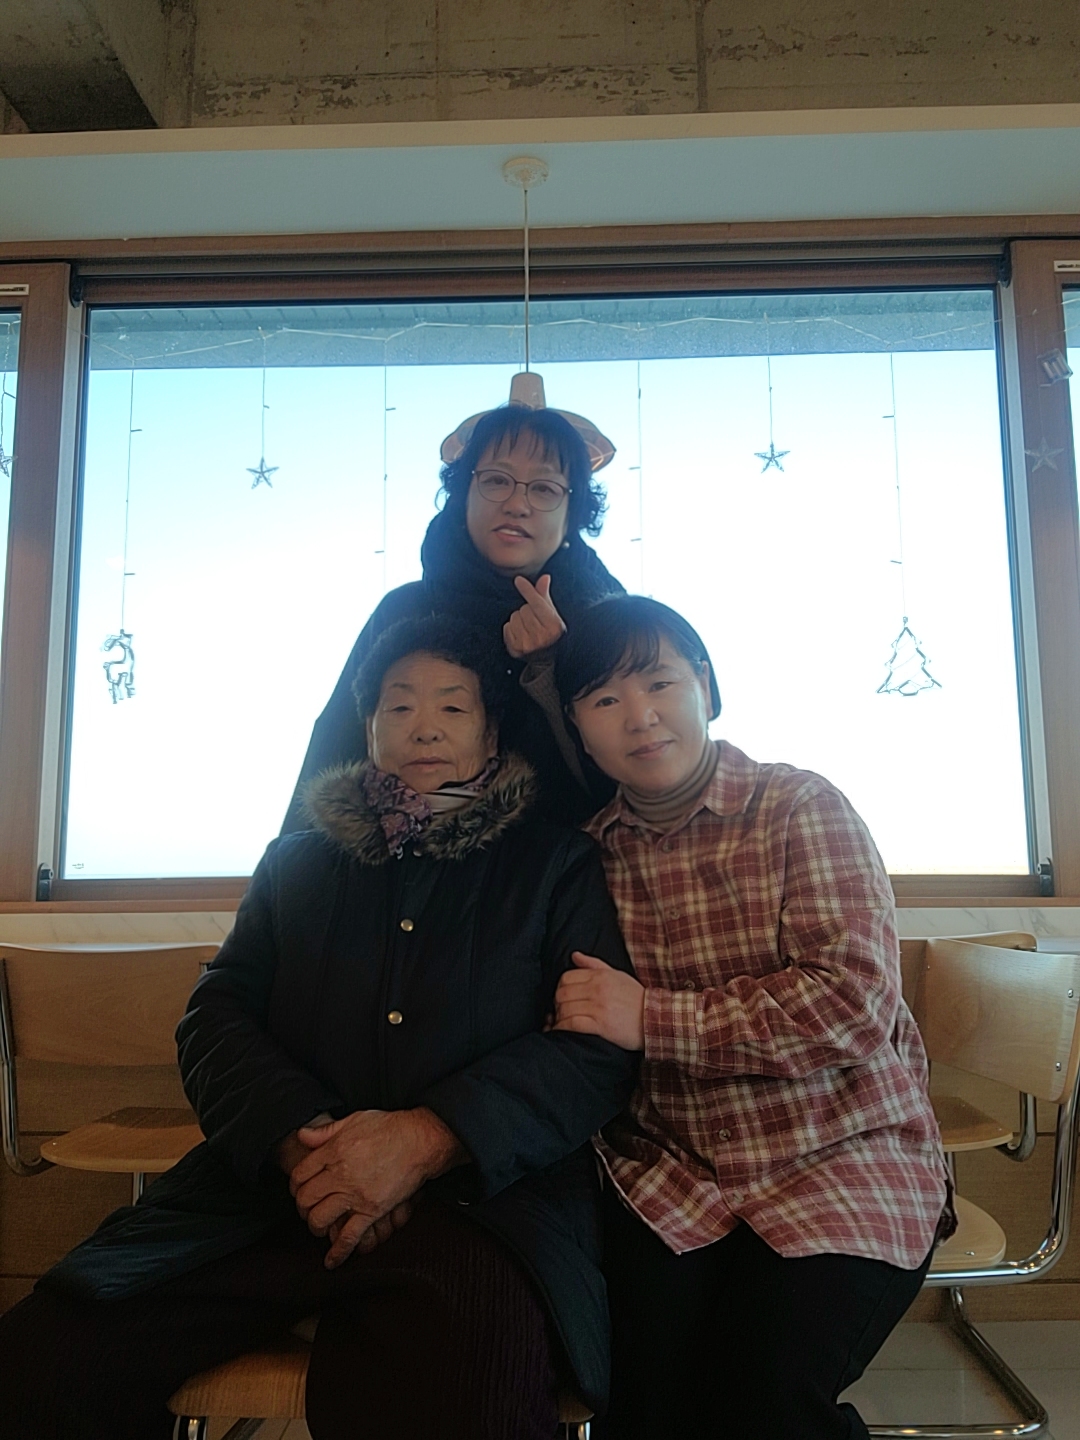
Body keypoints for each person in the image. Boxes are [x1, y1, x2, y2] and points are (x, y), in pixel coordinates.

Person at [0, 615, 639, 1440]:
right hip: (268, 1198)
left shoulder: (554, 865)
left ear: (490, 732)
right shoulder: (294, 863)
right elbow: (215, 1017)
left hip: (480, 1210)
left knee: (474, 1399)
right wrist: (305, 1147)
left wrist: (427, 1139)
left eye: (452, 706)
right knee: (43, 1363)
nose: (423, 727)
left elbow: (591, 1055)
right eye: (399, 706)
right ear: (369, 728)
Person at [549, 594, 953, 1440]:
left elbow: (851, 1006)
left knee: (765, 1393)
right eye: (605, 698)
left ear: (706, 685)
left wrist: (652, 1018)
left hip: (840, 1149)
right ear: (579, 730)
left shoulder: (802, 807)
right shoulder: (586, 856)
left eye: (660, 682)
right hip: (672, 1169)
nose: (640, 715)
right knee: (634, 1394)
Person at [281, 382, 624, 833]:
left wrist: (554, 662)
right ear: (463, 495)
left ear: (572, 513)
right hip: (404, 869)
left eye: (544, 488)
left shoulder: (608, 620)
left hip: (576, 868)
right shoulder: (405, 611)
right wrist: (291, 866)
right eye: (496, 481)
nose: (517, 504)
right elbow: (335, 754)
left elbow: (631, 776)